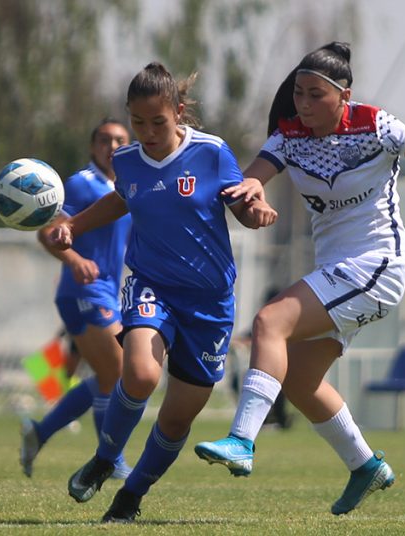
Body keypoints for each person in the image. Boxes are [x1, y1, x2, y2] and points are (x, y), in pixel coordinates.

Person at [195, 41, 405, 515]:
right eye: (299, 94)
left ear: (343, 96)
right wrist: (254, 198)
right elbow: (253, 181)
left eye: (315, 95)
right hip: (337, 273)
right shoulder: (287, 138)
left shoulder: (375, 125)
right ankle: (365, 466)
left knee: (269, 322)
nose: (303, 104)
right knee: (301, 381)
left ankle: (242, 440)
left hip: (378, 265)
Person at [44, 62, 277, 524]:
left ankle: (131, 495)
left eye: (158, 122)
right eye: (138, 122)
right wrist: (72, 224)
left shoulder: (212, 153)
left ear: (179, 112)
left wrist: (258, 212)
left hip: (210, 304)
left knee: (175, 421)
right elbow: (121, 198)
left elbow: (241, 205)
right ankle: (105, 457)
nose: (147, 132)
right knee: (140, 374)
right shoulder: (127, 162)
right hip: (150, 286)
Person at [19, 118, 133, 480]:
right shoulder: (81, 184)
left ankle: (40, 432)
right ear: (92, 146)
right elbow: (46, 232)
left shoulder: (127, 186)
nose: (112, 146)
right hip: (83, 291)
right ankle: (110, 460)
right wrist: (75, 259)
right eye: (104, 140)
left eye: (119, 140)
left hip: (105, 292)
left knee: (107, 376)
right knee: (120, 371)